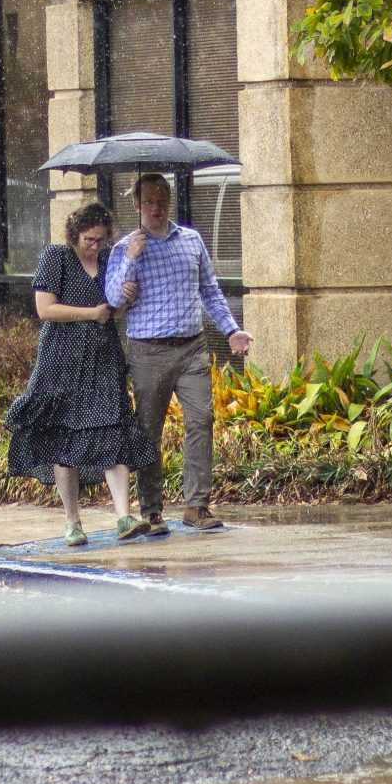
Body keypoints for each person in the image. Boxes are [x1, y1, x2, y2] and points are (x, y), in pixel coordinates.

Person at [105, 172, 251, 532]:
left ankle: (197, 506)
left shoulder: (191, 240)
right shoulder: (125, 247)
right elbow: (111, 299)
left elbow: (210, 291)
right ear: (137, 206)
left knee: (201, 420)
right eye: (149, 202)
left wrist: (232, 330)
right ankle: (151, 510)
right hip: (148, 351)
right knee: (148, 430)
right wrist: (130, 261)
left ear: (169, 202)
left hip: (191, 348)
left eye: (161, 201)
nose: (156, 208)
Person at [6, 202, 156, 546]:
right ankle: (72, 520)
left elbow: (112, 310)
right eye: (89, 239)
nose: (95, 245)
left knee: (113, 429)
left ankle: (123, 515)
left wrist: (125, 299)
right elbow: (45, 309)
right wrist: (91, 313)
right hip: (61, 357)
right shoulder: (56, 257)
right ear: (75, 235)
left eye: (101, 239)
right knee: (64, 437)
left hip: (103, 356)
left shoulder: (108, 260)